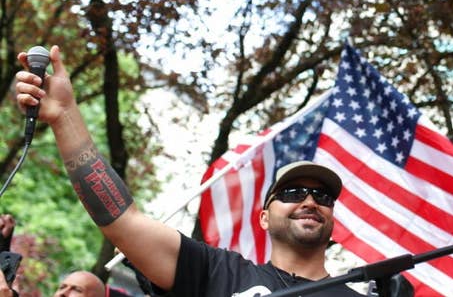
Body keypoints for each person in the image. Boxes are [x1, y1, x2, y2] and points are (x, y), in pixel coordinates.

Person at [14, 45, 365, 296]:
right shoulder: (218, 272)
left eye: (322, 196)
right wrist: (64, 116)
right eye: (291, 193)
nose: (308, 200)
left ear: (332, 219)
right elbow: (122, 220)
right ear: (262, 218)